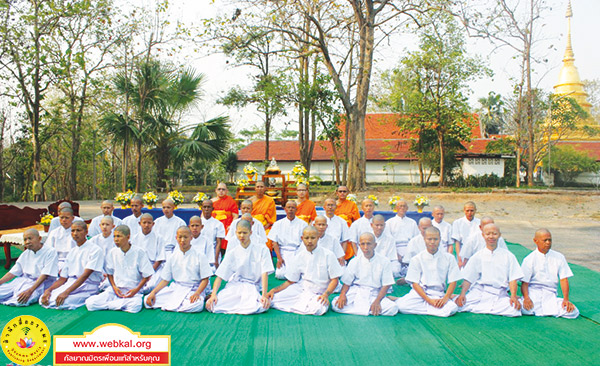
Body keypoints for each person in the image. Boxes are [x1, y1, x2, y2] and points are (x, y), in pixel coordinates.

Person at [268, 226, 343, 315]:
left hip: (319, 293)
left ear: (318, 237)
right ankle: (301, 306)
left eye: (313, 238)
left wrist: (325, 295)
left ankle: (301, 306)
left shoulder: (328, 255)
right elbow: (291, 281)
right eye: (307, 238)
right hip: (302, 289)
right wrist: (274, 290)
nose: (310, 241)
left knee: (319, 308)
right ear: (302, 239)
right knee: (273, 299)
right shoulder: (300, 256)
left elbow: (335, 280)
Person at [206, 220, 274, 314]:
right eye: (239, 233)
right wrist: (214, 295)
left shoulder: (262, 250)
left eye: (245, 233)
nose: (242, 236)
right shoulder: (232, 252)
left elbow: (264, 273)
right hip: (235, 284)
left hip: (252, 286)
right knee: (212, 305)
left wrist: (264, 295)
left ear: (250, 233)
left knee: (261, 306)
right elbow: (220, 275)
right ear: (235, 233)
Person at [455, 223, 523, 317]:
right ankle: (455, 297)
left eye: (494, 234)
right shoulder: (478, 256)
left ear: (499, 235)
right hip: (480, 292)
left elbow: (513, 279)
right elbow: (469, 278)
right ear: (483, 235)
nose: (491, 237)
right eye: (488, 234)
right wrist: (462, 294)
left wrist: (513, 296)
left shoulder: (508, 256)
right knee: (457, 305)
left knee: (514, 310)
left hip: (499, 294)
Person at [392, 227, 461, 317]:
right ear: (424, 239)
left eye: (435, 239)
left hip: (438, 294)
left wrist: (445, 298)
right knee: (401, 307)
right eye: (429, 239)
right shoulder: (417, 259)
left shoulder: (449, 258)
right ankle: (403, 301)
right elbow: (415, 284)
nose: (432, 242)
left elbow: (453, 280)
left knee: (452, 309)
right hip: (420, 294)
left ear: (440, 239)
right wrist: (429, 301)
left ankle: (406, 301)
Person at [85, 225, 154, 313]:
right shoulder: (113, 252)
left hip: (132, 290)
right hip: (116, 290)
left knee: (135, 307)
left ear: (128, 237)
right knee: (90, 303)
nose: (116, 239)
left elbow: (147, 275)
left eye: (119, 236)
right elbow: (109, 273)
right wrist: (114, 287)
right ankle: (118, 305)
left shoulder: (139, 252)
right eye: (114, 236)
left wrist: (136, 290)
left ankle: (110, 304)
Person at [144, 227, 213, 313]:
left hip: (193, 289)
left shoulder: (200, 255)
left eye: (185, 237)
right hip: (176, 288)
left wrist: (197, 293)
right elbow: (165, 280)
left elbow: (205, 279)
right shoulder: (173, 256)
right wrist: (153, 292)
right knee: (147, 299)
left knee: (197, 305)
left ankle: (175, 305)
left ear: (191, 238)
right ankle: (179, 305)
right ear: (176, 238)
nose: (182, 240)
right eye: (180, 237)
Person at [40, 221, 104, 310]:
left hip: (88, 285)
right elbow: (63, 278)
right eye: (73, 231)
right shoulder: (72, 251)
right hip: (71, 283)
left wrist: (66, 292)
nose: (75, 234)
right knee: (44, 298)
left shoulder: (95, 250)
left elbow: (85, 276)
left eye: (78, 230)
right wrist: (48, 290)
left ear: (86, 232)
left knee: (62, 302)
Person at [332, 233, 398, 316]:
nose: (365, 247)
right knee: (336, 305)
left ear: (375, 245)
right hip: (357, 292)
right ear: (359, 245)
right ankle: (370, 310)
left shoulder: (384, 261)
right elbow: (347, 282)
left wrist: (377, 301)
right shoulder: (354, 261)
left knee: (393, 308)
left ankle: (368, 309)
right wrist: (342, 295)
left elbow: (386, 285)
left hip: (375, 293)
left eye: (368, 244)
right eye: (363, 244)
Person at [520, 229, 579, 319]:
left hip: (550, 295)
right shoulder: (529, 259)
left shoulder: (559, 257)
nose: (548, 243)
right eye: (545, 240)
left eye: (549, 240)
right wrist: (526, 298)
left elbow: (564, 279)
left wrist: (566, 299)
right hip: (534, 294)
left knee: (573, 312)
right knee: (518, 308)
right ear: (535, 241)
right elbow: (525, 283)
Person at [0, 229, 58, 306]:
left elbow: (45, 275)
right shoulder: (26, 253)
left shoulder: (50, 252)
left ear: (39, 238)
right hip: (23, 280)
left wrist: (30, 291)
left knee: (19, 300)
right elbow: (13, 272)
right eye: (25, 240)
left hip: (40, 284)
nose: (27, 242)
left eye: (30, 238)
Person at [268, 200, 308, 280]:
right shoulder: (278, 224)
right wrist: (279, 258)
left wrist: (300, 257)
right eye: (288, 207)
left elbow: (305, 242)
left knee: (298, 275)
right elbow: (274, 242)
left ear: (296, 209)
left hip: (297, 251)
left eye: (293, 208)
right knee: (280, 275)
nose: (290, 209)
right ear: (285, 209)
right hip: (283, 252)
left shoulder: (303, 224)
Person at [130, 213, 166, 293]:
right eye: (144, 222)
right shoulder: (134, 238)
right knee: (131, 284)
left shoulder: (159, 238)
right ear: (140, 223)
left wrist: (149, 272)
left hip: (154, 268)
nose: (146, 225)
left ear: (153, 224)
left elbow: (159, 259)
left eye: (149, 223)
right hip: (138, 268)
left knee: (150, 286)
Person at [385, 199, 419, 270]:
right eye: (400, 206)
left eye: (404, 206)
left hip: (409, 250)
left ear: (407, 208)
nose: (402, 208)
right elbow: (388, 241)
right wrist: (397, 255)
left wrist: (408, 255)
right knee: (395, 271)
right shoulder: (389, 223)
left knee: (413, 270)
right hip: (395, 251)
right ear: (396, 208)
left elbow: (416, 240)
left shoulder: (412, 222)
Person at [211, 183, 239, 253]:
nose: (221, 191)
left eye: (223, 189)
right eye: (219, 189)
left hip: (226, 226)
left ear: (227, 191)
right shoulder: (211, 201)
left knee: (227, 236)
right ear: (215, 191)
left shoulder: (231, 201)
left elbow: (235, 216)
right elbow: (204, 215)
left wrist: (231, 226)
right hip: (213, 225)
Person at [452, 201, 480, 267]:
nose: (469, 213)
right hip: (462, 251)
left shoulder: (480, 222)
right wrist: (459, 259)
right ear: (464, 210)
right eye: (467, 211)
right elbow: (457, 242)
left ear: (475, 211)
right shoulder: (457, 223)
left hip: (476, 251)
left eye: (472, 210)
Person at [199, 200, 226, 265]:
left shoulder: (218, 224)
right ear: (201, 208)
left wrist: (216, 259)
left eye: (208, 207)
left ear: (212, 209)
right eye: (204, 207)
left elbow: (218, 242)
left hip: (213, 252)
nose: (206, 209)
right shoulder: (197, 223)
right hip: (199, 251)